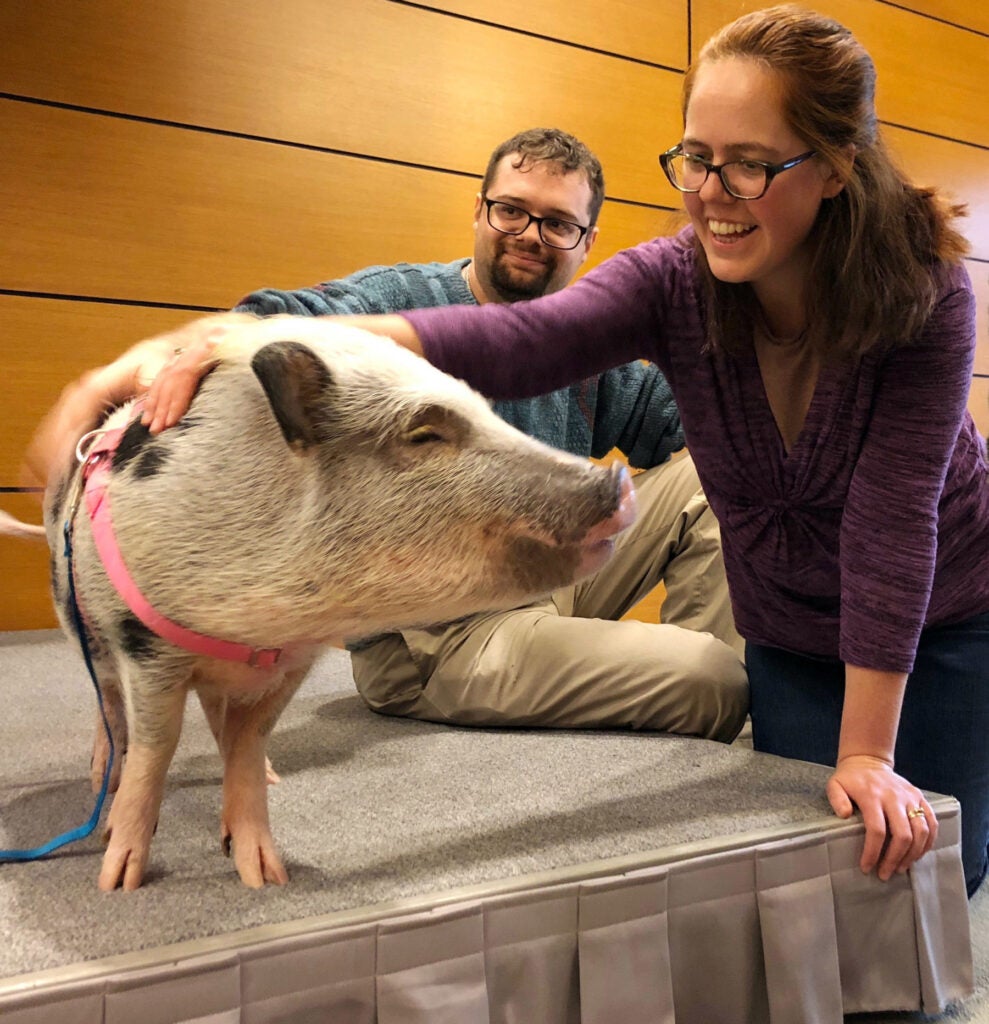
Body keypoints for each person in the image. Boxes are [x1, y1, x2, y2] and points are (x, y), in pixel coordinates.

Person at [135, 8, 989, 893]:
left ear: (837, 165)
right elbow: (520, 340)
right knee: (818, 881)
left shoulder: (923, 296)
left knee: (931, 878)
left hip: (937, 614)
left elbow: (890, 523)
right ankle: (729, 718)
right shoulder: (667, 277)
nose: (708, 191)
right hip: (772, 625)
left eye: (747, 164)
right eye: (695, 157)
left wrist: (864, 752)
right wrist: (245, 337)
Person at [24, 128, 748, 743]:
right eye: (510, 211)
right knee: (710, 679)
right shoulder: (401, 303)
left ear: (586, 243)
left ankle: (742, 695)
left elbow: (687, 428)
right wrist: (101, 383)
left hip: (543, 578)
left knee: (720, 481)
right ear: (477, 210)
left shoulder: (586, 350)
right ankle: (725, 700)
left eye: (557, 223)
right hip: (438, 637)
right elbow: (271, 319)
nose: (530, 235)